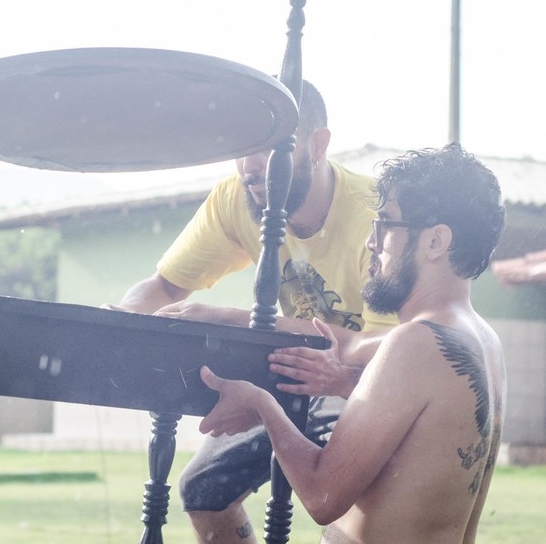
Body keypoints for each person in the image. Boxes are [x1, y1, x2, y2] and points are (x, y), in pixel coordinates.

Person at [110, 81, 397, 543]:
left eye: (268, 146)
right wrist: (120, 318)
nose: (249, 165)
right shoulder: (235, 199)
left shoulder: (378, 216)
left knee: (347, 517)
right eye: (240, 148)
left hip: (360, 383)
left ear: (317, 145)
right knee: (204, 490)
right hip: (285, 371)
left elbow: (379, 351)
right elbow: (163, 286)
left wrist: (235, 321)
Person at [200, 144, 508, 544]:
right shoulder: (484, 341)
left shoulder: (415, 341)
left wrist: (260, 403)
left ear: (436, 242)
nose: (371, 243)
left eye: (386, 225)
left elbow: (322, 495)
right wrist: (346, 383)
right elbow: (428, 437)